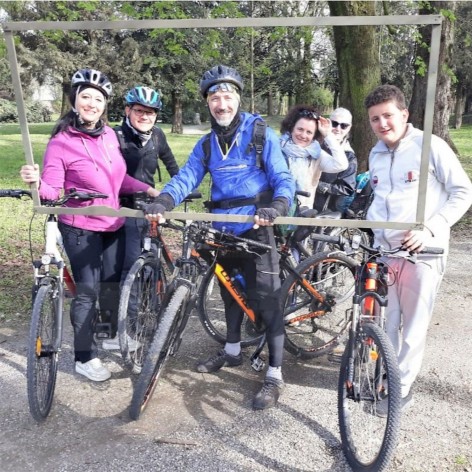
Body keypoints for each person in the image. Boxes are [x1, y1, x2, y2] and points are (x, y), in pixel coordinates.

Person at [144, 65, 295, 410]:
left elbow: (283, 176)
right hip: (223, 232)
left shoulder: (260, 133)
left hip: (257, 229)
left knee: (268, 301)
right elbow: (186, 177)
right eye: (215, 98)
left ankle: (274, 374)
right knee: (229, 294)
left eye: (227, 97)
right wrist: (164, 200)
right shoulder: (206, 144)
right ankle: (231, 350)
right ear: (208, 103)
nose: (221, 104)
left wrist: (278, 204)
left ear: (238, 99)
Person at [20, 68, 160, 382]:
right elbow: (53, 190)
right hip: (80, 227)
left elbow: (117, 179)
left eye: (98, 99)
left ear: (104, 105)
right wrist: (36, 182)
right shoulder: (61, 142)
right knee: (87, 291)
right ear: (75, 101)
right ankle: (85, 357)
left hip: (112, 223)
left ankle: (107, 335)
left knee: (110, 284)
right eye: (86, 97)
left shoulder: (109, 136)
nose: (92, 103)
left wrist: (150, 190)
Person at [364, 84, 472, 416]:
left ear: (404, 114)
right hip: (386, 254)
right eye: (375, 119)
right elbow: (380, 199)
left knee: (412, 326)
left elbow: (463, 192)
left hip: (422, 254)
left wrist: (430, 228)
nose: (382, 124)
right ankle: (388, 374)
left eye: (388, 116)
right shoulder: (375, 153)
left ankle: (402, 388)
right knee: (387, 320)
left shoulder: (430, 146)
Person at [100, 85, 180, 351]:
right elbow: (114, 174)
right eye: (139, 111)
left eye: (150, 112)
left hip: (150, 208)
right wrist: (148, 190)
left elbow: (172, 164)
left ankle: (149, 315)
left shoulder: (157, 135)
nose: (145, 116)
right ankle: (126, 329)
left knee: (149, 264)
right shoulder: (115, 136)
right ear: (127, 110)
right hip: (122, 208)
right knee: (127, 268)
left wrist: (180, 189)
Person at [279, 104, 347, 209]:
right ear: (292, 128)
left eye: (309, 132)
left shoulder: (317, 155)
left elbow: (341, 165)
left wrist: (328, 135)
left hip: (302, 212)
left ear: (314, 135)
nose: (303, 135)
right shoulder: (277, 148)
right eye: (300, 129)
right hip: (276, 208)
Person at [314, 107, 357, 215]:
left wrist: (321, 186)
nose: (338, 129)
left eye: (344, 125)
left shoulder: (349, 156)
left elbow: (347, 188)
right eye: (334, 123)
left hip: (327, 210)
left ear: (349, 127)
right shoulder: (315, 143)